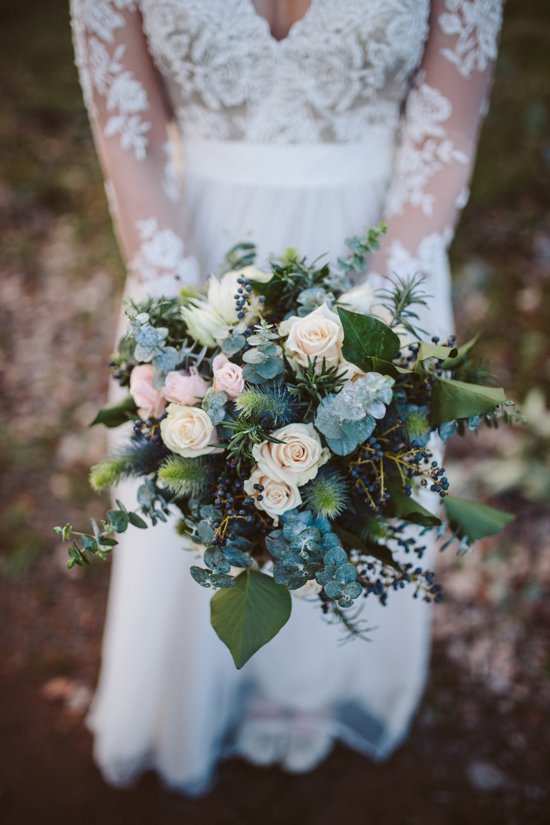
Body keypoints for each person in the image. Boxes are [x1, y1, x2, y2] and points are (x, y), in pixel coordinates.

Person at [70, 0, 503, 795]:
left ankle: (325, 683)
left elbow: (444, 135)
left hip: (378, 259)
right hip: (195, 256)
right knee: (195, 492)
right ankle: (200, 684)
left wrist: (375, 327)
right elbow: (126, 134)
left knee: (357, 492)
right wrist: (182, 327)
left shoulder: (382, 299)